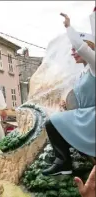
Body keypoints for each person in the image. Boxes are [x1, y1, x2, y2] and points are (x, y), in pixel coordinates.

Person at [42, 12, 95, 176]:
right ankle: (64, 162)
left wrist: (68, 27)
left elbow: (81, 47)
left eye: (74, 49)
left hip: (92, 118)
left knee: (52, 122)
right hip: (84, 116)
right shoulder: (83, 72)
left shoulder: (94, 65)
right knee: (54, 122)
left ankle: (63, 162)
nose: (72, 52)